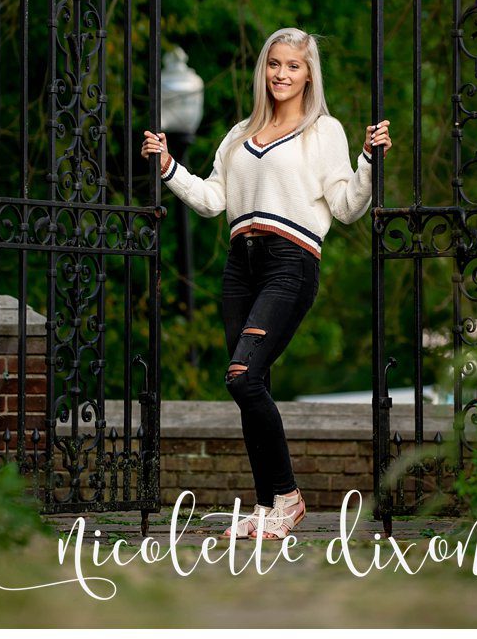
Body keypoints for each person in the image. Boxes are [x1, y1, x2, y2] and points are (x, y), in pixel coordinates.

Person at [141, 27, 389, 542]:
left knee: (241, 376)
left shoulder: (324, 132)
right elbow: (213, 199)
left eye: (293, 66)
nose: (282, 74)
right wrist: (168, 167)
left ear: (308, 74)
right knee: (254, 385)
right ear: (264, 70)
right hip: (240, 264)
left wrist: (368, 161)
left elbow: (345, 207)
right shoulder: (238, 134)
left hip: (289, 262)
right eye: (274, 64)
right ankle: (267, 506)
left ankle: (289, 498)